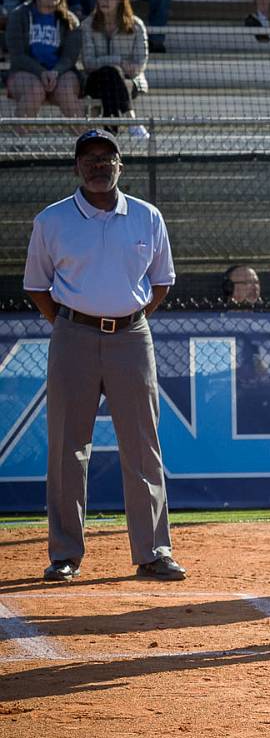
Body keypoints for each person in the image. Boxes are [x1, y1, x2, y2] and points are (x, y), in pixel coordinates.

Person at [23, 129, 185, 583]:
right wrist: (72, 323)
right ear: (77, 166)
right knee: (67, 448)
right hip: (72, 336)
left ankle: (153, 551)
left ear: (120, 165)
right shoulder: (52, 221)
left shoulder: (147, 217)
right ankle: (65, 554)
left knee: (142, 446)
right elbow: (37, 286)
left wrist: (123, 319)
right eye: (89, 158)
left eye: (107, 157)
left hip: (132, 338)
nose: (99, 165)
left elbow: (161, 283)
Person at [4, 0, 83, 118]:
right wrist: (41, 72)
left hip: (61, 73)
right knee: (35, 90)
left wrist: (55, 72)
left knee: (66, 92)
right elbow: (18, 56)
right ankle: (19, 141)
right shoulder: (18, 15)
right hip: (24, 73)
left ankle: (85, 140)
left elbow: (69, 58)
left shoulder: (71, 21)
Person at [80, 0, 148, 136]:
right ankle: (131, 120)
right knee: (110, 73)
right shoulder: (87, 25)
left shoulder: (136, 25)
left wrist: (128, 69)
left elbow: (140, 62)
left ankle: (109, 135)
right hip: (94, 80)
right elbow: (88, 63)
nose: (104, 0)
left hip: (129, 79)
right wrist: (118, 62)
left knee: (111, 78)